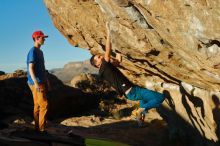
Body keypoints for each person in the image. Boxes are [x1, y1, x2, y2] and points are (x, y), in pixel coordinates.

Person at [90, 23, 165, 124]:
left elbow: (118, 61)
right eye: (98, 58)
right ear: (97, 64)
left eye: (99, 56)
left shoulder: (105, 69)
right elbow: (108, 50)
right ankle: (139, 111)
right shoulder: (104, 66)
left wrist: (119, 51)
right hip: (132, 91)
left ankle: (139, 120)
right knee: (160, 98)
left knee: (144, 100)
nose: (101, 57)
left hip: (129, 93)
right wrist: (108, 32)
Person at [26, 30, 50, 132]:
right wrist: (36, 83)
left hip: (41, 81)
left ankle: (37, 128)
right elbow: (30, 67)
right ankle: (41, 129)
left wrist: (47, 80)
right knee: (44, 104)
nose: (44, 39)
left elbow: (42, 68)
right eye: (42, 37)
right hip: (36, 83)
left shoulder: (40, 52)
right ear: (36, 38)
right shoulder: (33, 51)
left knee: (37, 105)